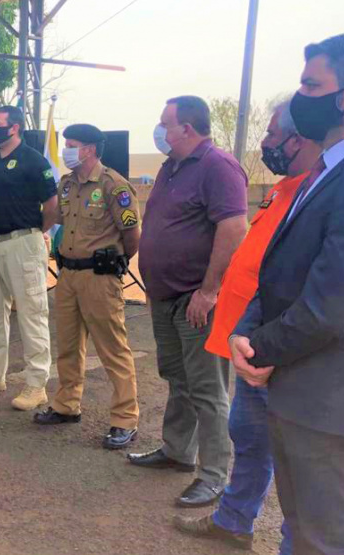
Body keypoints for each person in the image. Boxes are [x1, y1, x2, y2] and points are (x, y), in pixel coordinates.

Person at [230, 33, 344, 554]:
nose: (301, 97)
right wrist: (248, 329)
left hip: (330, 392)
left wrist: (259, 348)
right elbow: (281, 272)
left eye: (311, 85)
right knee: (308, 536)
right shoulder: (332, 168)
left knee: (330, 542)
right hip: (302, 384)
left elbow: (332, 302)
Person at [174, 98, 322, 551]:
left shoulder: (319, 192)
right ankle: (234, 520)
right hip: (253, 343)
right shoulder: (287, 189)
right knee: (251, 439)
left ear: (303, 138)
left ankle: (298, 544)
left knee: (300, 461)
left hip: (283, 348)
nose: (265, 141)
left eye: (273, 133)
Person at [129, 96, 248, 508]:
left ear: (188, 128)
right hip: (165, 297)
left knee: (208, 389)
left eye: (165, 123)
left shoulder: (218, 166)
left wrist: (209, 291)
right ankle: (178, 451)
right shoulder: (171, 167)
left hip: (196, 300)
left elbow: (233, 229)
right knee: (178, 379)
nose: (160, 130)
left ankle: (214, 475)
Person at [33, 123, 141, 450]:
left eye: (72, 144)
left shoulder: (113, 185)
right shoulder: (67, 185)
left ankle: (124, 420)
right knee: (67, 345)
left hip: (99, 277)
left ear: (90, 149)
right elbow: (62, 222)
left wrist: (114, 260)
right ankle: (67, 405)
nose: (66, 150)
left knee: (112, 349)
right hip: (67, 275)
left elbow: (132, 234)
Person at [0, 105, 58, 411]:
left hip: (23, 243)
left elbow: (52, 204)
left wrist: (36, 233)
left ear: (14, 127)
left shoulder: (33, 160)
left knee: (31, 313)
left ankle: (36, 384)